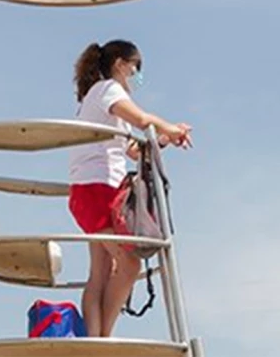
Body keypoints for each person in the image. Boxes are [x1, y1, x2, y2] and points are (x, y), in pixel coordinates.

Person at [67, 40, 192, 338]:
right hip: (96, 189)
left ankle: (96, 340)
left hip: (96, 189)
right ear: (121, 64)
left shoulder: (96, 97)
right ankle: (103, 338)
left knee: (101, 272)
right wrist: (170, 127)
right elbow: (141, 119)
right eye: (136, 67)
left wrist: (163, 140)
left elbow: (133, 150)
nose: (138, 75)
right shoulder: (109, 89)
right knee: (130, 264)